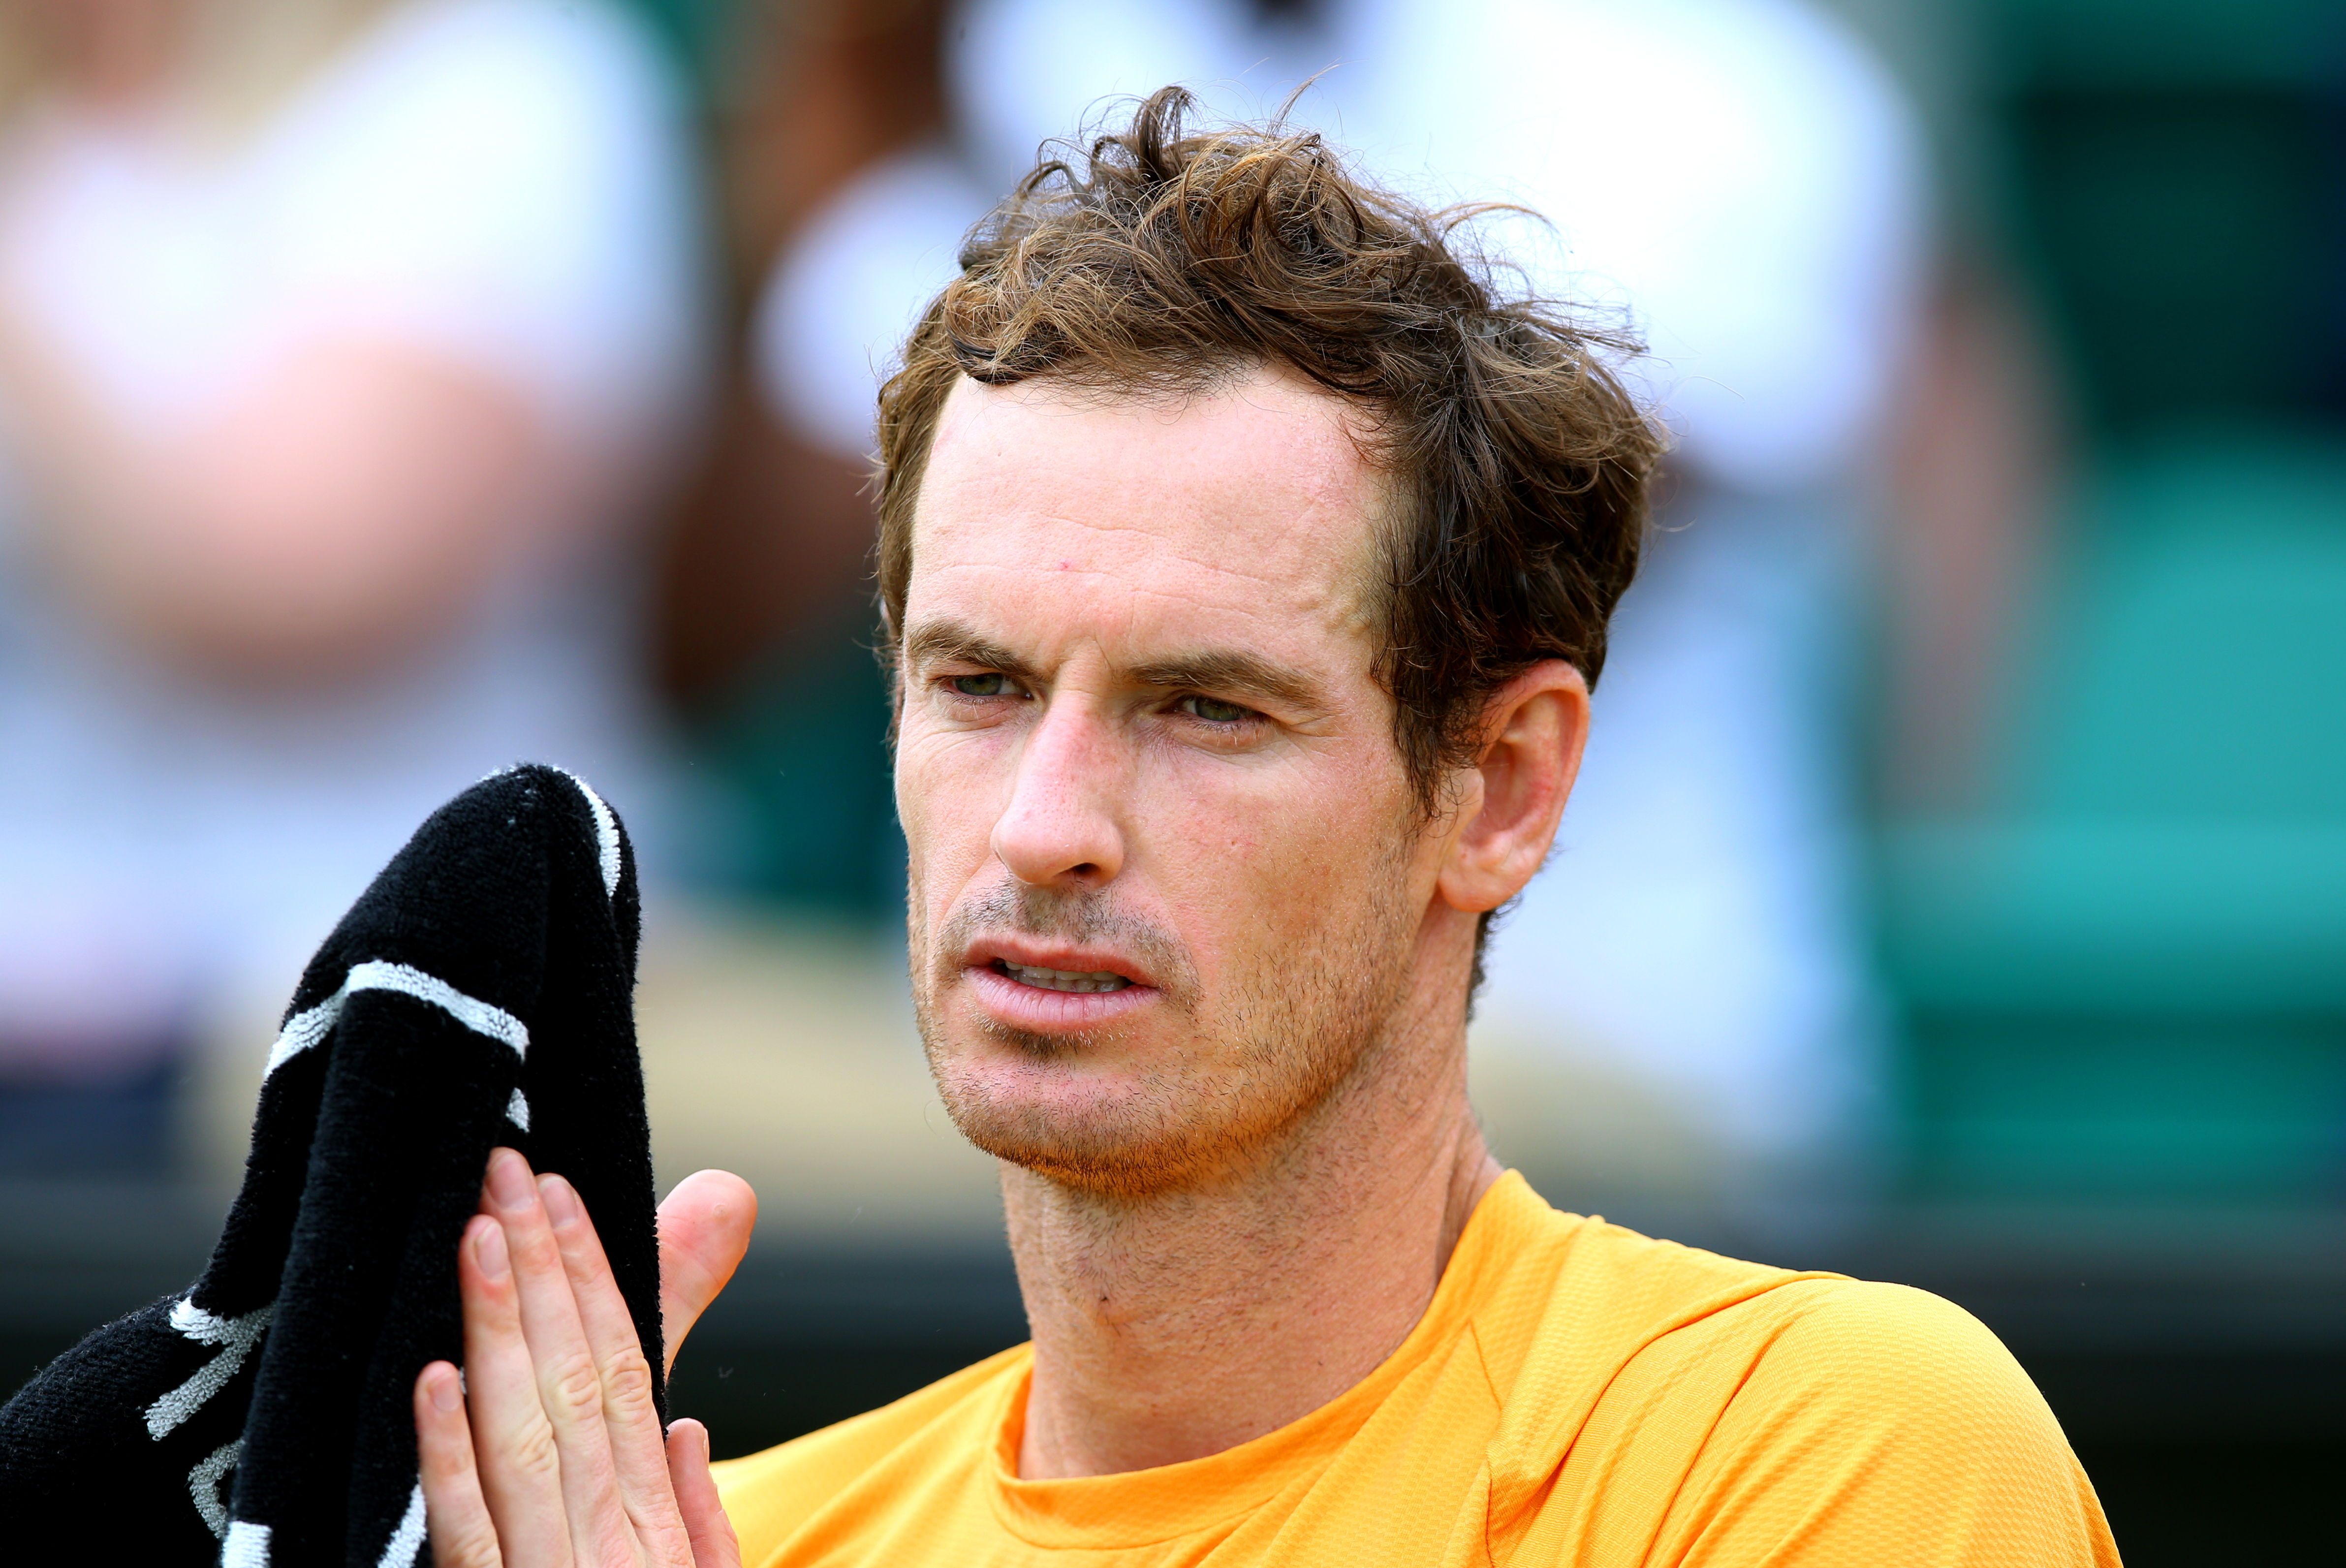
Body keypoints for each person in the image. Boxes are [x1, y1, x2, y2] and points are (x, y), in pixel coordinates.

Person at [410, 93, 2119, 1567]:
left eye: (1206, 708)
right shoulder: (736, 1534)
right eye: (980, 684)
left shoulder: (1819, 1451)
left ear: (1503, 786)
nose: (1045, 824)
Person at [0, 0, 704, 1169]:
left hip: (350, 1048)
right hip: (50, 1017)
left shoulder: (493, 91)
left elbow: (288, 568)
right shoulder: (56, 116)